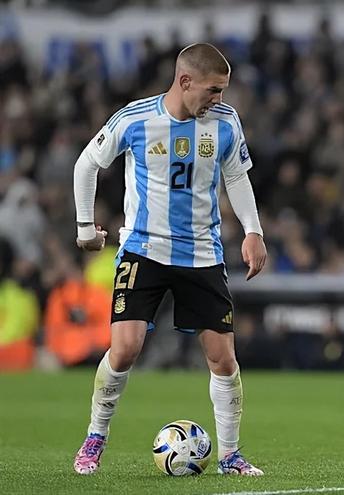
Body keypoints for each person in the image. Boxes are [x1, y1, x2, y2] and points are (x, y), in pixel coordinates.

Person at [72, 43, 267, 476]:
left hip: (201, 253)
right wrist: (85, 227)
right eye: (213, 90)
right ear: (185, 81)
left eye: (223, 90)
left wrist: (253, 230)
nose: (219, 99)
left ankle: (230, 456)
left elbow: (237, 175)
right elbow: (86, 164)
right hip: (144, 248)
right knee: (124, 349)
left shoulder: (225, 122)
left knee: (223, 358)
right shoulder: (135, 119)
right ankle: (94, 438)